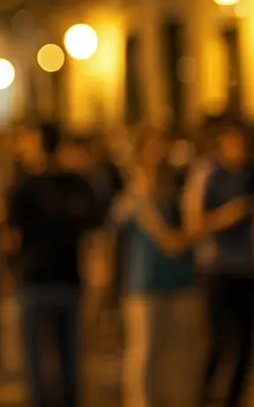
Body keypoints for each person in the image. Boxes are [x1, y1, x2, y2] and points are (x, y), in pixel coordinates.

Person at [5, 124, 101, 407]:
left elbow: (10, 238)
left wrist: (10, 270)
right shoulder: (77, 183)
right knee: (69, 355)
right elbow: (95, 224)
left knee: (37, 358)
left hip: (35, 279)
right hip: (69, 277)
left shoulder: (24, 185)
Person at [106, 131, 198, 407]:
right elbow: (115, 240)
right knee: (144, 355)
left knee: (177, 357)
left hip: (179, 283)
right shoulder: (132, 199)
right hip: (144, 286)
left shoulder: (175, 195)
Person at [182, 122, 254, 407]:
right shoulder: (208, 174)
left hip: (248, 267)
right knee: (218, 339)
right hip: (216, 267)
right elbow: (193, 224)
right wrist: (228, 215)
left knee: (247, 343)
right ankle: (203, 397)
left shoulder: (253, 176)